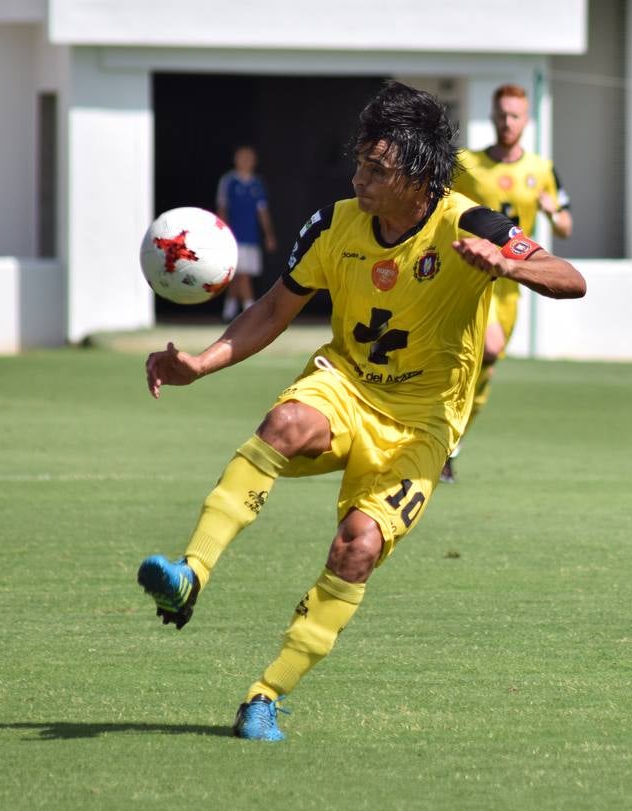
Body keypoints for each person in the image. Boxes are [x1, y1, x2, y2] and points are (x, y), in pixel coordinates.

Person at [138, 80, 586, 742]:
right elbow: (272, 310)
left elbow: (568, 278)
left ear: (418, 174)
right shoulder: (333, 224)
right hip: (345, 384)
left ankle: (266, 695)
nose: (360, 179)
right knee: (286, 424)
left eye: (376, 169)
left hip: (422, 424)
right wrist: (201, 365)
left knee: (358, 547)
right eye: (360, 164)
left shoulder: (467, 222)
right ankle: (190, 574)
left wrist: (507, 264)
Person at [445, 83, 573, 483]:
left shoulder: (541, 169)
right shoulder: (467, 163)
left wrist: (554, 214)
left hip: (510, 284)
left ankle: (450, 443)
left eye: (514, 115)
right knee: (487, 350)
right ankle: (436, 434)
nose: (507, 122)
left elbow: (567, 227)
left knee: (486, 366)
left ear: (526, 120)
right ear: (493, 114)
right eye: (501, 114)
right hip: (468, 273)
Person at [215, 145, 278, 322]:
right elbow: (222, 208)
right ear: (235, 159)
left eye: (248, 158)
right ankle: (250, 313)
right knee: (241, 275)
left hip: (251, 237)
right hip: (233, 237)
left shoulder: (257, 183)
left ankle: (228, 313)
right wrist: (223, 233)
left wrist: (269, 235)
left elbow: (263, 212)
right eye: (242, 157)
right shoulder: (228, 181)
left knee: (239, 276)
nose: (245, 161)